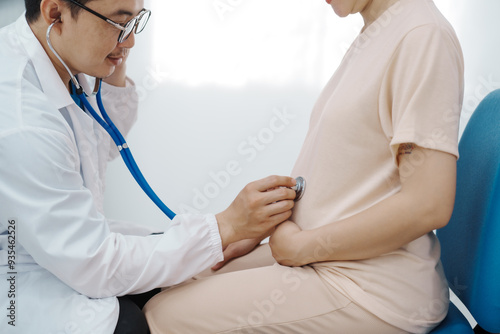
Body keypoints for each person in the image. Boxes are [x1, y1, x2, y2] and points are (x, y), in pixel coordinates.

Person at [143, 0, 464, 333]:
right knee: (172, 282)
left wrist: (302, 247)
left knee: (161, 316)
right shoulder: (378, 30)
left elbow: (428, 204)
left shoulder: (423, 36)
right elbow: (350, 173)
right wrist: (260, 226)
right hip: (326, 258)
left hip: (373, 286)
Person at [0, 0, 297, 333]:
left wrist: (112, 57)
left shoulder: (59, 55)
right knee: (132, 323)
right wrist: (225, 226)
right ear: (55, 13)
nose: (130, 41)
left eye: (136, 23)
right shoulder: (21, 118)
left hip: (60, 251)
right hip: (16, 283)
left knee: (191, 271)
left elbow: (102, 141)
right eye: (118, 22)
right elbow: (92, 263)